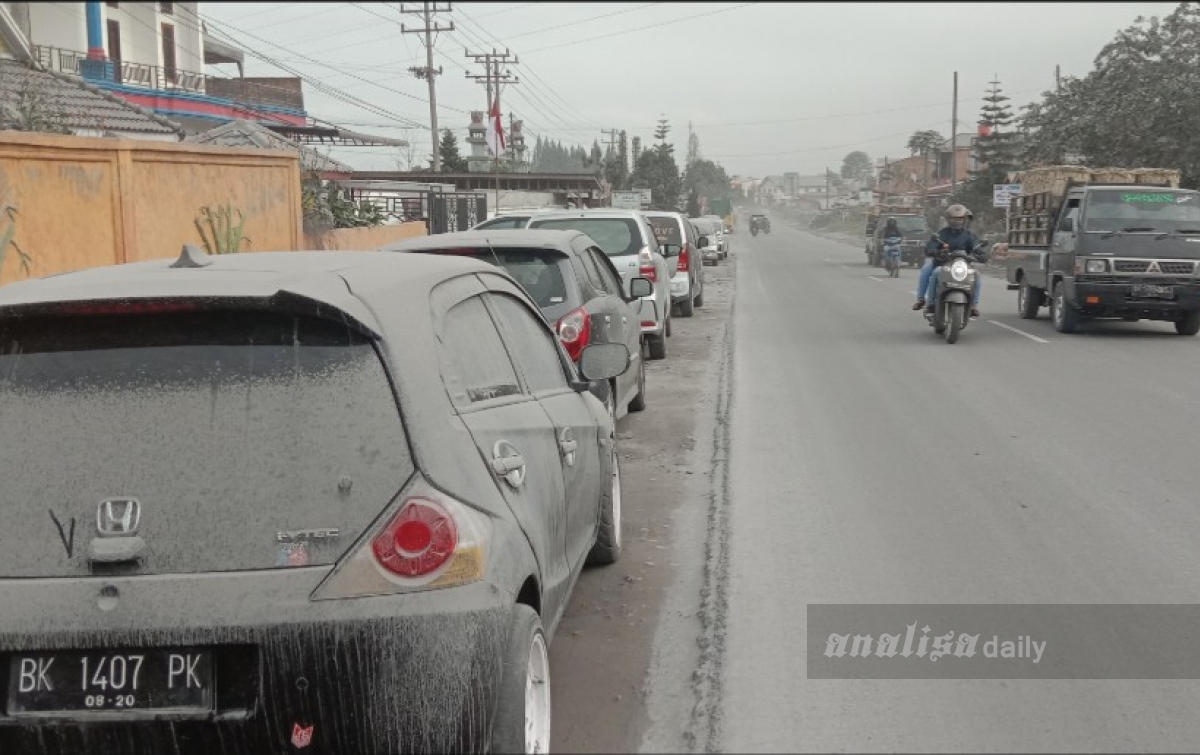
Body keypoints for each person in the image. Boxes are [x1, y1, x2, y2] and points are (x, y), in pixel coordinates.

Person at [912, 204, 984, 318]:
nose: (957, 221)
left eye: (960, 219)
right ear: (948, 219)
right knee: (931, 271)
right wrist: (935, 251)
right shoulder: (942, 234)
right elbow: (931, 246)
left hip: (962, 266)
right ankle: (926, 302)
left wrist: (980, 255)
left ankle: (974, 305)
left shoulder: (969, 236)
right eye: (954, 218)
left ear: (964, 219)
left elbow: (978, 248)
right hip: (942, 263)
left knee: (976, 274)